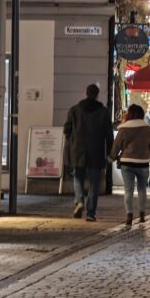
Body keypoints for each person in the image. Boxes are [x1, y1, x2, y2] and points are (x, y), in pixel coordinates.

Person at [64, 83, 113, 222]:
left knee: (77, 177)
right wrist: (110, 151)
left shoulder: (74, 110)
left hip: (77, 150)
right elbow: (109, 134)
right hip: (96, 151)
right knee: (94, 183)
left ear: (86, 93)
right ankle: (91, 213)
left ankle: (79, 201)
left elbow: (67, 129)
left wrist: (72, 141)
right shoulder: (104, 112)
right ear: (97, 95)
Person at [110, 104, 150, 227]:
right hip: (143, 163)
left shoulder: (123, 129)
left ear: (129, 114)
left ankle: (129, 215)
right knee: (142, 189)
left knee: (128, 190)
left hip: (127, 163)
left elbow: (116, 146)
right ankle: (142, 214)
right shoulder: (147, 129)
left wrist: (111, 157)